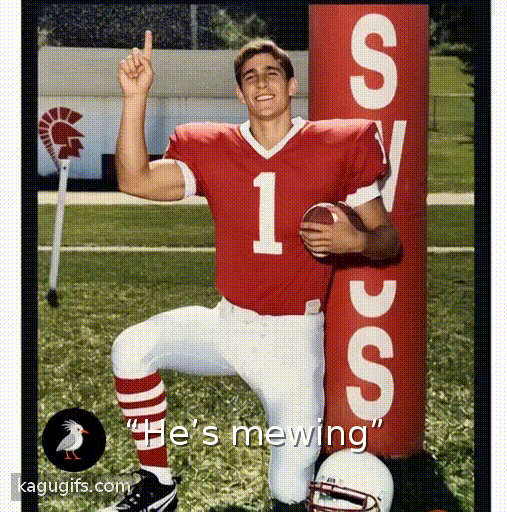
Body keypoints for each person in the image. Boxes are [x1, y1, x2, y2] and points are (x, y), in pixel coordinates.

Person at [102, 30, 401, 512]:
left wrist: (358, 241)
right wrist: (135, 98)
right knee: (132, 348)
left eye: (271, 74)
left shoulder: (339, 143)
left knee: (288, 490)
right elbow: (134, 179)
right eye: (249, 77)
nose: (261, 84)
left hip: (292, 339)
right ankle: (158, 484)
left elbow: (390, 242)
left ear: (292, 84)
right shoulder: (213, 145)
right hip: (229, 323)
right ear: (239, 93)